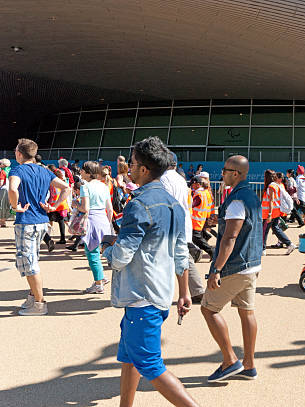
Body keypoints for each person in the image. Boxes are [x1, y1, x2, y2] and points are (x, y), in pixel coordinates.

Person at [102, 137, 198, 407]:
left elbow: (121, 257)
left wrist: (107, 247)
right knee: (130, 356)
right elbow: (182, 254)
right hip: (159, 292)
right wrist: (184, 292)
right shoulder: (174, 205)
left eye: (131, 163)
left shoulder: (138, 204)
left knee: (150, 364)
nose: (128, 168)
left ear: (143, 169)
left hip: (140, 294)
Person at [201, 155, 263, 382]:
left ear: (235, 173)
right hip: (252, 263)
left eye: (225, 170)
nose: (222, 174)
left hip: (235, 266)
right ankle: (249, 365)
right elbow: (245, 225)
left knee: (209, 309)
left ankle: (229, 360)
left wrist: (216, 270)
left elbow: (230, 237)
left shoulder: (237, 200)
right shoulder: (251, 196)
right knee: (247, 312)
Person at [9, 138, 70, 316]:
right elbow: (66, 187)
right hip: (42, 221)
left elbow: (13, 189)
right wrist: (54, 205)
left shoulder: (17, 170)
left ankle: (39, 302)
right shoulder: (44, 171)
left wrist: (15, 207)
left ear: (20, 154)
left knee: (29, 264)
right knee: (32, 260)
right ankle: (33, 297)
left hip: (26, 221)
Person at [161, 153, 206, 304]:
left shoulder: (164, 179)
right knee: (182, 256)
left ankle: (197, 291)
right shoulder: (180, 179)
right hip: (184, 221)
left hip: (172, 224)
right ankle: (197, 290)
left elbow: (166, 205)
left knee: (177, 257)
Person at [78, 161, 113, 294]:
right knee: (98, 251)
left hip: (91, 220)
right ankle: (101, 278)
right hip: (103, 220)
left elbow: (85, 208)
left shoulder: (85, 186)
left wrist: (76, 205)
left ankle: (98, 283)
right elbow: (109, 209)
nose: (80, 172)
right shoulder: (103, 186)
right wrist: (108, 224)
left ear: (88, 173)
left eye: (82, 170)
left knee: (92, 253)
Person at [262, 170, 294, 255]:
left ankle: (262, 249)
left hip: (269, 213)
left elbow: (271, 201)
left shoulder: (271, 186)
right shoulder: (276, 185)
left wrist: (269, 214)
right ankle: (289, 244)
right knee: (276, 229)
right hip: (275, 212)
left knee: (264, 231)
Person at [190, 175, 215, 259]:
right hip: (200, 219)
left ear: (197, 184)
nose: (191, 187)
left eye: (192, 185)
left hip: (196, 221)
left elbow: (191, 206)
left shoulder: (198, 194)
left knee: (196, 238)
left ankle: (211, 251)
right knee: (196, 238)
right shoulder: (203, 193)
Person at [0, 158, 12, 227]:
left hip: (3, 189)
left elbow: (1, 183)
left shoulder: (2, 172)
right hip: (10, 189)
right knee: (8, 205)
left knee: (2, 205)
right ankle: (3, 221)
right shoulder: (11, 170)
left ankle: (2, 221)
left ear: (3, 165)